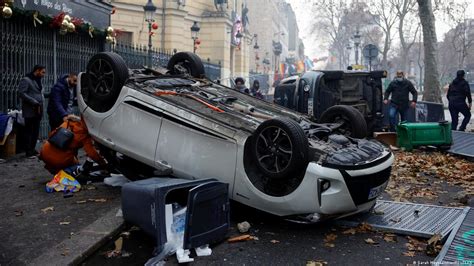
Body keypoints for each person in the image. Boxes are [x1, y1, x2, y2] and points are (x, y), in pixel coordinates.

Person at [39, 116, 107, 175]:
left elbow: (52, 135)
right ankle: (63, 171)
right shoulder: (85, 135)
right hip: (58, 160)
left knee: (64, 153)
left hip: (44, 150)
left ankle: (54, 169)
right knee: (76, 167)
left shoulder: (69, 122)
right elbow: (92, 154)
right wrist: (103, 164)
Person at [18, 65, 46, 158]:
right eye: (43, 72)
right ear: (37, 71)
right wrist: (34, 101)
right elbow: (22, 93)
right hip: (30, 109)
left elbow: (39, 93)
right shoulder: (26, 80)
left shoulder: (38, 80)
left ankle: (33, 149)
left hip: (38, 109)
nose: (44, 74)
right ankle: (28, 151)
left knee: (36, 130)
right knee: (29, 130)